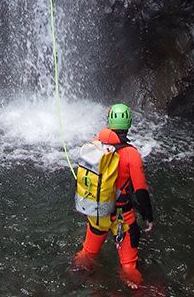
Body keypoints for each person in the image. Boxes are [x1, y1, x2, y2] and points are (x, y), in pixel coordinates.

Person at [74, 103, 154, 289]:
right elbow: (141, 190)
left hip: (97, 213)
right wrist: (148, 218)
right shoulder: (131, 154)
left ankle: (75, 283)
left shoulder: (95, 144)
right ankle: (136, 290)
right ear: (129, 124)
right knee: (128, 266)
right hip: (122, 217)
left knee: (86, 254)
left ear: (109, 122)